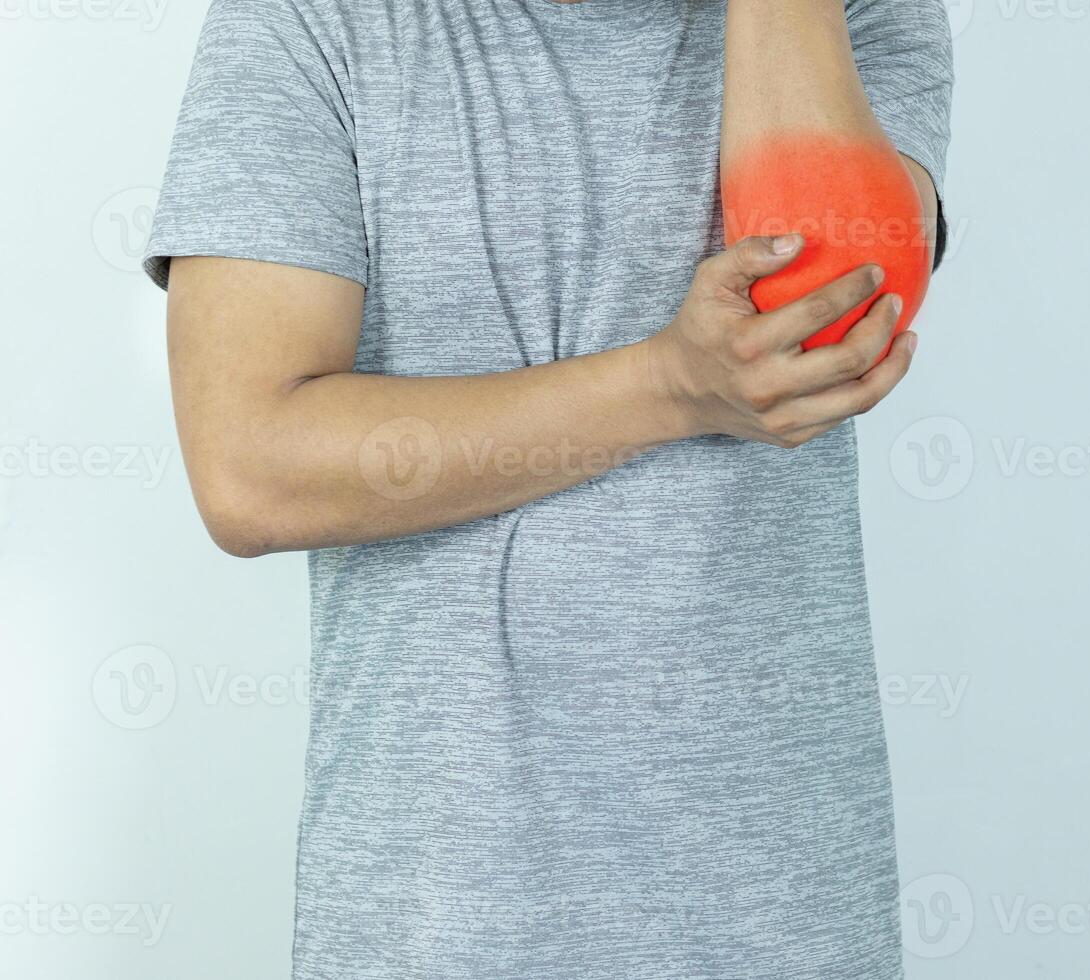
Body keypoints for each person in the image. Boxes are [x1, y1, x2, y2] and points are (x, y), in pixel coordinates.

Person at [144, 0, 953, 975]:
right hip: (442, 916)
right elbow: (250, 467)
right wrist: (664, 385)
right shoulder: (311, 17)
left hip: (774, 911)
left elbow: (820, 320)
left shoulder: (854, 13)